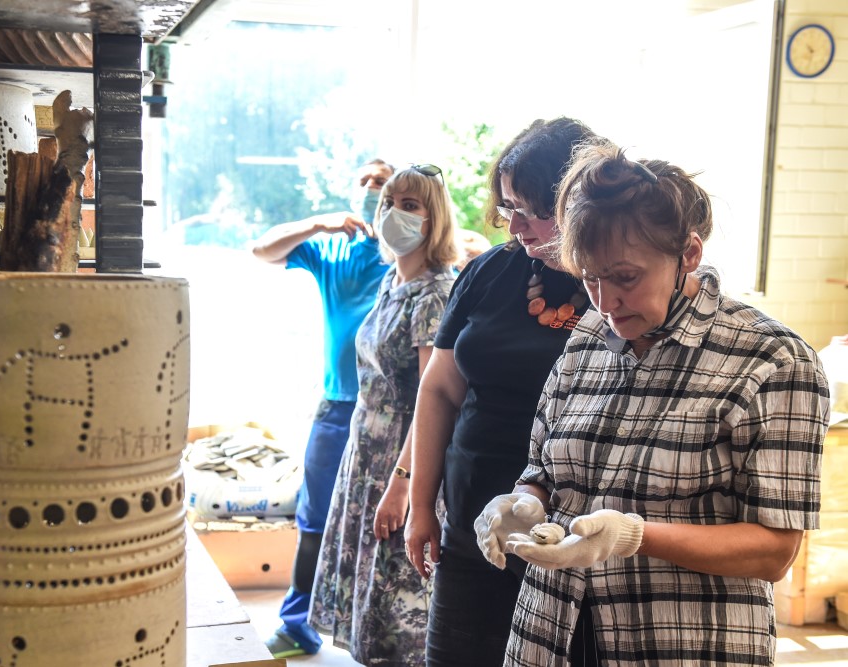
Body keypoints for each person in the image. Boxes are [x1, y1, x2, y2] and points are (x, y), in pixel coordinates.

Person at [488, 142, 830, 666]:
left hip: (680, 645)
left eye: (626, 277)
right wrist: (522, 503)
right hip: (549, 633)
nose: (606, 302)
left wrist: (635, 536)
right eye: (590, 278)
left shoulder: (772, 360)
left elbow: (774, 550)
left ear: (688, 254)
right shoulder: (587, 338)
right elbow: (543, 469)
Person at [403, 117, 598, 667]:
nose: (516, 226)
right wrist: (422, 505)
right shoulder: (489, 271)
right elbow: (439, 390)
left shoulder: (615, 284)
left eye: (532, 210)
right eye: (509, 207)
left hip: (568, 538)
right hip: (472, 525)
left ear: (577, 202)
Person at [309, 164, 458, 665]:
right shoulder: (392, 281)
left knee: (398, 615)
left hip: (402, 462)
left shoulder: (435, 294)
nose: (394, 213)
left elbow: (434, 399)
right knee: (368, 608)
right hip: (365, 456)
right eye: (389, 203)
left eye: (410, 205)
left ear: (434, 219)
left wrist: (402, 485)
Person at [251, 158, 394, 658]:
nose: (371, 189)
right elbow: (262, 250)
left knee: (385, 521)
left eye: (381, 182)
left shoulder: (409, 257)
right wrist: (318, 223)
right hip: (337, 408)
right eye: (365, 181)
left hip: (394, 413)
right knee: (314, 518)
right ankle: (297, 625)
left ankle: (380, 630)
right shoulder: (335, 250)